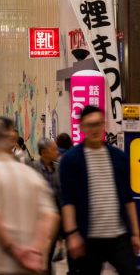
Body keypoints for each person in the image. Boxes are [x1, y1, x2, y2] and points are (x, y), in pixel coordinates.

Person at [0, 119, 58, 275]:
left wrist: (15, 250)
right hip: (28, 268)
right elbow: (51, 215)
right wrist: (35, 250)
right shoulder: (30, 174)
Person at [60, 105, 140, 274]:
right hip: (87, 237)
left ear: (104, 125)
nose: (94, 129)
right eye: (90, 125)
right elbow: (68, 201)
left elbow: (127, 198)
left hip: (119, 235)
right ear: (82, 127)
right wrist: (72, 234)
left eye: (98, 124)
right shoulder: (70, 160)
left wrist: (135, 233)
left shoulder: (119, 157)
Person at [34, 137, 63, 271]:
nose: (57, 151)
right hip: (38, 218)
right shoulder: (32, 169)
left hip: (55, 217)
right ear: (44, 152)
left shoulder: (58, 168)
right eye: (53, 149)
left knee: (49, 253)